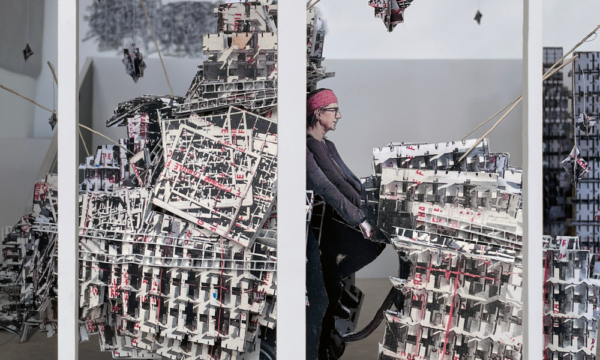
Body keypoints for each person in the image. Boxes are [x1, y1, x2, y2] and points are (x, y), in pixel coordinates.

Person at [305, 88, 385, 359]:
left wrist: (370, 204)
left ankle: (335, 287)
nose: (339, 116)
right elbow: (328, 186)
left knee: (375, 244)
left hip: (332, 222)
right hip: (317, 228)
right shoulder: (308, 146)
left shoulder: (328, 145)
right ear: (318, 113)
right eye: (333, 110)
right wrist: (360, 217)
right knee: (322, 298)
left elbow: (346, 180)